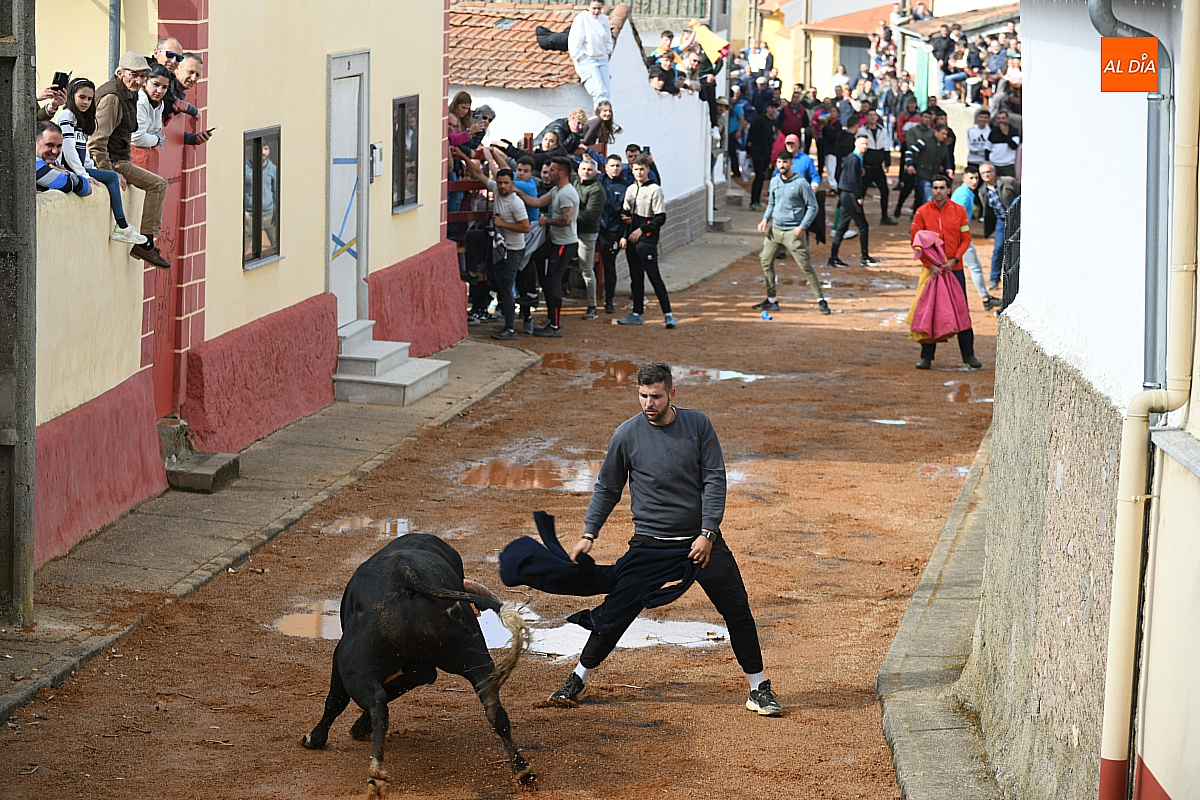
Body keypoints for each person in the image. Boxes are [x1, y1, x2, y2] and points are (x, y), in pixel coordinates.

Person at [546, 362, 783, 718]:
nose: (649, 403)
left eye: (656, 396)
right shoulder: (627, 434)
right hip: (651, 545)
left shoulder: (698, 425)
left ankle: (758, 688)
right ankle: (578, 678)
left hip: (700, 543)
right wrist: (589, 533)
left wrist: (708, 533)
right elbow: (608, 487)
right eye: (643, 396)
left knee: (737, 609)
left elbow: (714, 479)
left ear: (671, 394)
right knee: (618, 610)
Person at [89, 51, 170, 268]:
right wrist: (109, 173)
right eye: (134, 75)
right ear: (120, 73)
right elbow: (96, 143)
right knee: (158, 184)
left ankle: (145, 243)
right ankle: (146, 244)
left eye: (143, 76)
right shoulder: (113, 98)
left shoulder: (128, 93)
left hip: (119, 158)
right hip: (113, 161)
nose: (139, 81)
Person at [57, 78, 145, 244]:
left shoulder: (80, 119)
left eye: (90, 99)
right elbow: (68, 150)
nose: (86, 102)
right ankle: (122, 226)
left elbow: (83, 150)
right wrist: (84, 174)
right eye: (82, 97)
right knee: (111, 176)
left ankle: (122, 226)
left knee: (110, 176)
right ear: (71, 96)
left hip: (79, 168)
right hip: (68, 168)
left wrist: (91, 168)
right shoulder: (67, 115)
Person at [909, 175, 982, 370]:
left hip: (954, 269)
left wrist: (955, 259)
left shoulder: (959, 211)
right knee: (930, 311)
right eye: (935, 188)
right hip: (932, 271)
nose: (938, 191)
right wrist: (929, 264)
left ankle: (968, 355)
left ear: (948, 190)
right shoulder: (922, 212)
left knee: (961, 310)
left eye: (942, 188)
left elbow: (966, 238)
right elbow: (915, 242)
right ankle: (926, 357)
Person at [754, 151, 828, 315]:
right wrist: (765, 219)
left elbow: (813, 206)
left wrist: (802, 226)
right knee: (765, 259)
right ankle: (772, 300)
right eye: (779, 162)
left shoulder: (801, 183)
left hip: (793, 232)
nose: (782, 165)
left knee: (805, 266)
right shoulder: (774, 181)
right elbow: (772, 203)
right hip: (775, 230)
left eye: (785, 162)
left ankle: (820, 300)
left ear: (791, 163)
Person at [618, 156, 673, 328]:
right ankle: (636, 313)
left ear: (648, 169)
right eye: (636, 169)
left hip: (646, 240)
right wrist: (625, 227)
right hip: (632, 239)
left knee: (654, 276)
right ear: (632, 170)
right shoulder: (631, 189)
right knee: (636, 277)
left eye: (642, 169)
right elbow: (625, 212)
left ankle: (668, 314)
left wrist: (641, 229)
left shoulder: (655, 190)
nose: (639, 172)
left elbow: (660, 217)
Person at [532, 156, 579, 337]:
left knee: (554, 281)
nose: (548, 173)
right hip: (555, 241)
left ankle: (555, 325)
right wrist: (517, 191)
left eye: (552, 170)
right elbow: (537, 202)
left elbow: (566, 221)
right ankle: (551, 318)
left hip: (564, 244)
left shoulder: (566, 193)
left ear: (562, 172)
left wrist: (547, 221)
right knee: (537, 262)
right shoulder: (556, 190)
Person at [486, 168, 531, 340]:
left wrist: (502, 224)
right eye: (500, 183)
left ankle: (510, 329)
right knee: (502, 285)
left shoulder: (516, 203)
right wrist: (463, 157)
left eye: (506, 183)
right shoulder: (497, 192)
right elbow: (479, 174)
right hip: (501, 247)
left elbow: (525, 227)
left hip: (514, 249)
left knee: (506, 286)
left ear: (512, 184)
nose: (502, 186)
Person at [950, 169, 1000, 310]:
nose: (974, 181)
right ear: (964, 178)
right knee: (974, 267)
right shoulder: (964, 195)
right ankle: (985, 299)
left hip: (957, 236)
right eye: (971, 178)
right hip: (959, 237)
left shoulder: (963, 192)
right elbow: (956, 218)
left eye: (976, 178)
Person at [829, 133, 878, 268]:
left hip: (846, 194)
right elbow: (852, 180)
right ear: (855, 144)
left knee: (842, 227)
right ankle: (864, 257)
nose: (865, 146)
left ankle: (833, 257)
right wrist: (858, 196)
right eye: (862, 143)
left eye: (866, 144)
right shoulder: (854, 160)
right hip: (850, 195)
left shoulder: (853, 159)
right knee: (863, 226)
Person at [977, 162, 1019, 290]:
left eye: (988, 172)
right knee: (998, 250)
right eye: (983, 173)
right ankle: (994, 280)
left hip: (1017, 220)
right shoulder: (982, 191)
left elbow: (1022, 195)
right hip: (1001, 221)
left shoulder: (1008, 182)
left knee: (1017, 248)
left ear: (994, 172)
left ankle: (1016, 281)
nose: (986, 175)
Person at [598, 154, 630, 315]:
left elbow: (628, 214)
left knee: (609, 265)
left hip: (615, 231)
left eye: (618, 166)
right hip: (598, 228)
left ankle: (609, 300)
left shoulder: (626, 186)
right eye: (612, 165)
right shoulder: (599, 182)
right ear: (606, 167)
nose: (615, 168)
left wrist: (624, 235)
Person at [574, 157, 605, 321]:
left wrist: (568, 216)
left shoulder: (597, 190)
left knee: (586, 268)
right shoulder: (574, 182)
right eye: (583, 169)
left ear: (595, 172)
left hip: (587, 233)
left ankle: (592, 306)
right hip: (570, 230)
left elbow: (590, 214)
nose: (586, 172)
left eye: (589, 170)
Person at [569, 0, 614, 107]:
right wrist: (579, 58)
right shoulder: (582, 19)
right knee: (599, 92)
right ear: (588, 7)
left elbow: (608, 39)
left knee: (607, 92)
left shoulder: (603, 19)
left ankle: (605, 115)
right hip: (587, 59)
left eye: (599, 8)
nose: (596, 11)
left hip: (602, 59)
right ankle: (601, 116)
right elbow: (575, 41)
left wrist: (607, 51)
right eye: (594, 8)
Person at [35, 121, 92, 197]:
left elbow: (87, 189)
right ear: (34, 143)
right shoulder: (32, 163)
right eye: (49, 145)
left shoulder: (54, 164)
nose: (55, 151)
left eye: (59, 146)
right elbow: (65, 184)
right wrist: (67, 174)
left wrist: (67, 174)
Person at [244, 140, 279, 255]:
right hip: (250, 216)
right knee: (243, 249)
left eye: (266, 149)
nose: (263, 152)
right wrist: (244, 211)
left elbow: (275, 191)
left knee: (278, 245)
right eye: (260, 149)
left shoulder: (273, 169)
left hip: (269, 215)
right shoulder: (245, 169)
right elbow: (239, 192)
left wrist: (276, 210)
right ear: (251, 150)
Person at [903, 122, 950, 210]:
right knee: (928, 198)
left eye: (946, 134)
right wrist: (910, 165)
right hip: (922, 174)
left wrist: (948, 168)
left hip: (933, 176)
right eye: (943, 133)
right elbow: (909, 152)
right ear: (936, 132)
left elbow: (946, 160)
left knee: (924, 199)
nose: (945, 136)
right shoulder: (924, 141)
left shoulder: (944, 146)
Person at [862, 109, 896, 225]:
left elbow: (886, 146)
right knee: (861, 193)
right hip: (866, 167)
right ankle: (859, 217)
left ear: (877, 117)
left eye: (874, 115)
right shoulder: (862, 130)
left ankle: (884, 217)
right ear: (866, 117)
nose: (872, 117)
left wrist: (887, 162)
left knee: (885, 191)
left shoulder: (883, 130)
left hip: (878, 167)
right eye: (870, 115)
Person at [746, 99, 780, 210]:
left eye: (775, 108)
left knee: (763, 177)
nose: (773, 110)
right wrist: (748, 150)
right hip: (757, 151)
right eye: (771, 108)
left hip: (767, 153)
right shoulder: (759, 120)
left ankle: (757, 200)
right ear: (767, 108)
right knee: (759, 175)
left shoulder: (774, 123)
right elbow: (751, 136)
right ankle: (754, 201)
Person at [133, 65, 172, 148]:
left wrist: (152, 137)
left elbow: (157, 131)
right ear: (144, 81)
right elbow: (137, 139)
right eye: (156, 84)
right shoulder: (140, 100)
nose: (160, 91)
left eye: (164, 87)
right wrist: (157, 140)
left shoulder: (160, 103)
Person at [987, 110, 1020, 177]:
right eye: (999, 118)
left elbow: (1014, 146)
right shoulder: (993, 132)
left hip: (1008, 165)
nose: (1001, 120)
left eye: (1003, 118)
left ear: (1008, 119)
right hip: (994, 164)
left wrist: (1005, 134)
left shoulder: (1014, 131)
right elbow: (987, 149)